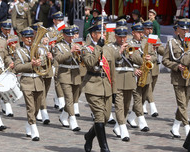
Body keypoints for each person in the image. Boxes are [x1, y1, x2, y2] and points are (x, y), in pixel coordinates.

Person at [81, 21, 115, 152]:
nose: (104, 35)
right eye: (101, 33)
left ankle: (89, 136)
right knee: (99, 117)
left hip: (106, 86)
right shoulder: (86, 49)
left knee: (105, 118)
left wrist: (114, 89)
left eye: (104, 33)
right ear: (93, 35)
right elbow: (90, 63)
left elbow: (112, 70)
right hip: (93, 86)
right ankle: (104, 148)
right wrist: (98, 48)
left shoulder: (108, 49)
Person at [15, 27, 49, 141]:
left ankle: (29, 123)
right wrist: (31, 65)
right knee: (30, 107)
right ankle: (34, 130)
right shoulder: (19, 51)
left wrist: (49, 59)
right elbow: (17, 67)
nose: (29, 39)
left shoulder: (40, 50)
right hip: (27, 82)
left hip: (38, 81)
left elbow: (45, 66)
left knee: (37, 107)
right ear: (22, 38)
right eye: (27, 37)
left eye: (31, 37)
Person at [162, 18, 190, 138]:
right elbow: (165, 60)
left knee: (184, 104)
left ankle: (175, 126)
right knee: (182, 104)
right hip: (177, 78)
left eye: (187, 29)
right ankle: (187, 128)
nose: (185, 31)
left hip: (189, 77)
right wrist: (176, 66)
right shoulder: (171, 43)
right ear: (177, 30)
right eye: (183, 29)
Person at [108, 26, 138, 141]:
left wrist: (131, 54)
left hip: (129, 80)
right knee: (119, 106)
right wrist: (120, 52)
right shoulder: (111, 47)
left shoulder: (130, 47)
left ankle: (117, 127)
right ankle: (124, 130)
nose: (122, 39)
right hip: (117, 79)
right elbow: (109, 60)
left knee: (126, 106)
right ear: (115, 36)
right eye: (120, 37)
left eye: (124, 37)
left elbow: (139, 61)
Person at [54, 26, 82, 131]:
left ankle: (63, 116)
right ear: (64, 35)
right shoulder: (59, 46)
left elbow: (81, 59)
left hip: (76, 74)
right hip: (65, 74)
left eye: (72, 35)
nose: (71, 38)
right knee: (69, 98)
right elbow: (58, 59)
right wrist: (70, 51)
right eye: (69, 36)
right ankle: (73, 121)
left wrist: (81, 53)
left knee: (74, 98)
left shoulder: (77, 44)